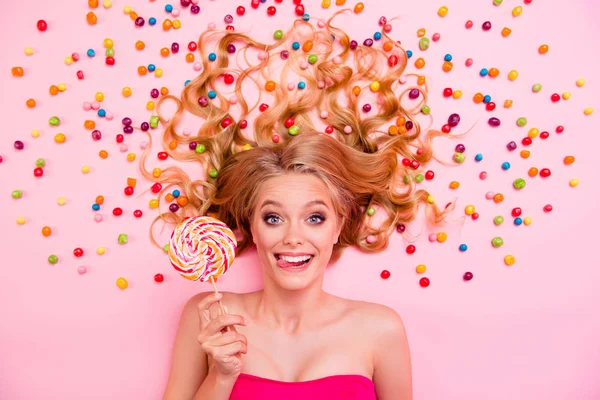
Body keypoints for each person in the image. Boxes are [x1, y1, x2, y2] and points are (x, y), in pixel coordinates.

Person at [145, 11, 456, 400]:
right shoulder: (208, 315)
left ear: (339, 225)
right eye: (273, 217)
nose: (294, 237)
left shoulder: (380, 329)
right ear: (251, 226)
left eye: (315, 217)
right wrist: (222, 377)